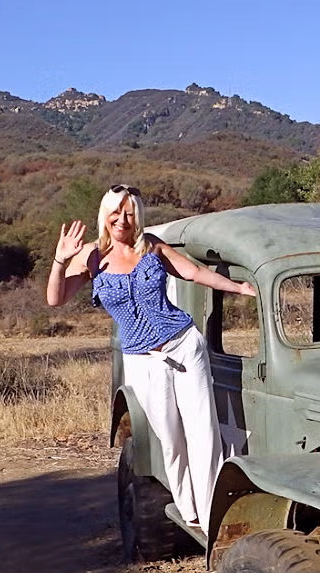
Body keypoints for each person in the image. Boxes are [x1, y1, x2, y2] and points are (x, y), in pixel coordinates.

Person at [46, 184, 256, 531]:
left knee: (203, 433)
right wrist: (60, 259)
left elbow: (192, 272)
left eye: (129, 212)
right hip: (143, 361)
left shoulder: (152, 247)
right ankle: (189, 511)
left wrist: (238, 288)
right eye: (116, 212)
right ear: (105, 215)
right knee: (170, 440)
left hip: (184, 345)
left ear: (137, 216)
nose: (122, 219)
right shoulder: (92, 257)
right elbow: (55, 299)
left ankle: (212, 518)